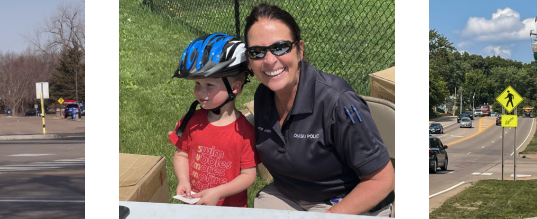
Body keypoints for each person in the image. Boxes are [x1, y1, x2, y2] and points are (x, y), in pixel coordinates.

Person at [243, 4, 393, 216]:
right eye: (257, 52)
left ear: (300, 49)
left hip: (343, 204)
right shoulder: (263, 95)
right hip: (287, 197)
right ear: (249, 60)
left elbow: (382, 180)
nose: (269, 60)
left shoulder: (338, 102)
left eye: (281, 47)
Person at [165, 33, 258, 207]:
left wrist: (218, 193)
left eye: (209, 85)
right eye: (197, 84)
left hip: (229, 211)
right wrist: (183, 180)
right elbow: (181, 154)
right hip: (195, 206)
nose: (200, 91)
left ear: (235, 88)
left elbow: (248, 175)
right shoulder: (191, 120)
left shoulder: (245, 132)